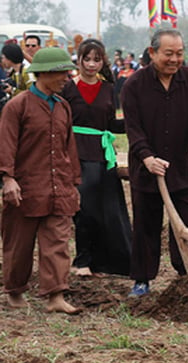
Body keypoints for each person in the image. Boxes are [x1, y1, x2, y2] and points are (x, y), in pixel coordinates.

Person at [121, 28, 188, 297]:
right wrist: (147, 158)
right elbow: (133, 129)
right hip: (146, 170)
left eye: (180, 54)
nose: (174, 59)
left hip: (182, 170)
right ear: (152, 53)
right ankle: (142, 280)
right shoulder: (133, 86)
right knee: (145, 227)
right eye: (168, 54)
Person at [0, 47, 82, 314]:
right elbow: (6, 144)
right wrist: (8, 179)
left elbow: (69, 148)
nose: (67, 78)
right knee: (18, 244)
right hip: (25, 189)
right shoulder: (17, 106)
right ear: (44, 73)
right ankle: (14, 291)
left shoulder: (63, 107)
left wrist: (73, 184)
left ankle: (55, 296)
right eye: (62, 73)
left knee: (57, 242)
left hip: (58, 188)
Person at [60, 38, 131, 277]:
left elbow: (110, 123)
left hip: (103, 155)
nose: (91, 64)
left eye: (96, 59)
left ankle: (104, 263)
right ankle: (82, 261)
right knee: (84, 209)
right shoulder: (67, 88)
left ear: (103, 62)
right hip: (75, 154)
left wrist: (137, 124)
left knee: (107, 209)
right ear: (78, 60)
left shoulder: (109, 89)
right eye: (86, 59)